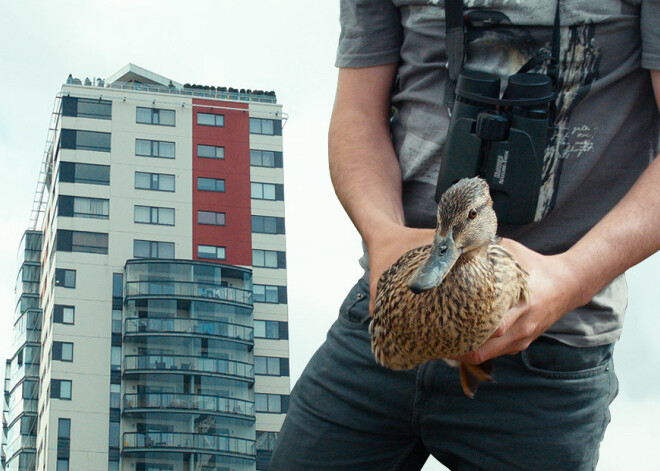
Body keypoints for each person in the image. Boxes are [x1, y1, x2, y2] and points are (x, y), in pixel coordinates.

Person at [271, 1, 660, 470]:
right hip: (391, 313)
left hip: (552, 344)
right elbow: (358, 112)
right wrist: (382, 235)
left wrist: (568, 279)